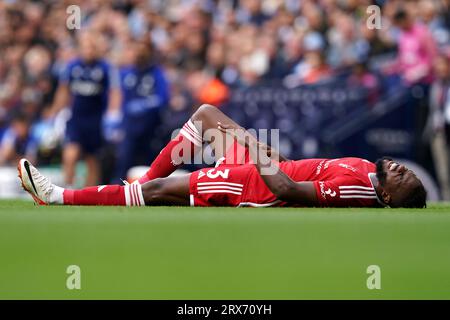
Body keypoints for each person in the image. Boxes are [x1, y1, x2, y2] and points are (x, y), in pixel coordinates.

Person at [18, 104, 427, 209]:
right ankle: (135, 187)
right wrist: (269, 152)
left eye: (405, 179)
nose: (401, 168)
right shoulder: (366, 171)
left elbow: (288, 189)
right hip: (265, 167)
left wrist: (255, 152)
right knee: (207, 117)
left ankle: (56, 195)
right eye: (405, 169)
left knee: (159, 190)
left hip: (253, 185)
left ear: (389, 198)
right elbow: (297, 170)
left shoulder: (359, 190)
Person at [48, 32, 121, 188]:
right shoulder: (72, 66)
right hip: (76, 118)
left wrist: (113, 114)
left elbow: (114, 92)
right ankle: (67, 188)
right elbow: (63, 91)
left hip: (96, 120)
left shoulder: (105, 68)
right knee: (70, 152)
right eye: (85, 47)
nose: (88, 50)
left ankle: (89, 193)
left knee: (92, 159)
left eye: (91, 47)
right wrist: (54, 112)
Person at [111, 37, 170, 183]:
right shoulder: (125, 74)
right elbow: (118, 97)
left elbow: (163, 98)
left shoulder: (157, 74)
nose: (139, 53)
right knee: (123, 163)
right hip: (130, 129)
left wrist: (145, 105)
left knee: (151, 165)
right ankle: (116, 192)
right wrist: (114, 118)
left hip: (151, 129)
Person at [424, 54, 450, 200]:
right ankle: (447, 200)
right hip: (438, 133)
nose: (440, 68)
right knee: (442, 171)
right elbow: (434, 110)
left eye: (443, 65)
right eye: (437, 65)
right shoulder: (435, 86)